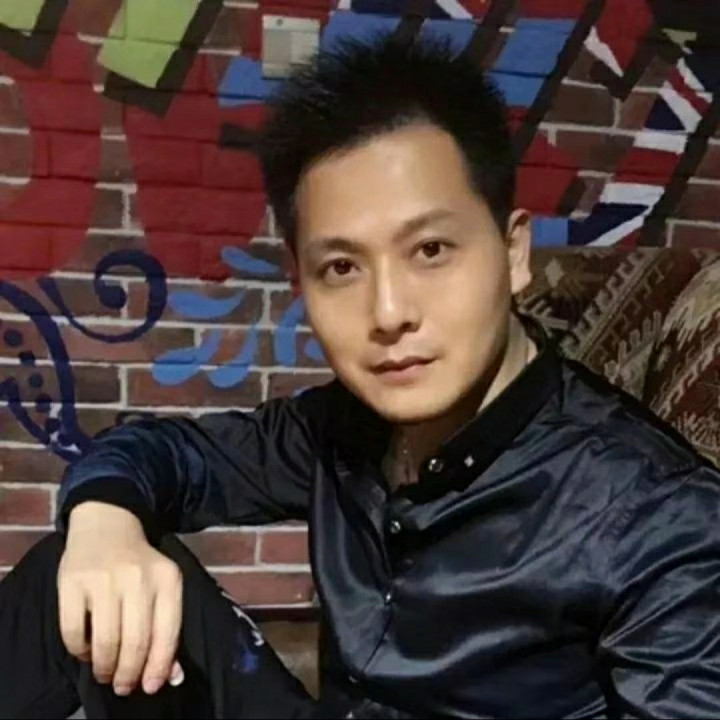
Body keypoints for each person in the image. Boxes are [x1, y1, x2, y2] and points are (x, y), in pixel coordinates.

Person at [3, 32, 720, 720]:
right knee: (80, 571)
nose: (388, 312)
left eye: (431, 250)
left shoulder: (660, 518)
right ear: (300, 281)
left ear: (514, 252)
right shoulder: (342, 428)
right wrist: (104, 524)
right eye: (342, 267)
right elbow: (163, 453)